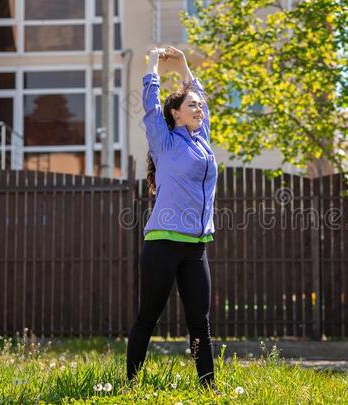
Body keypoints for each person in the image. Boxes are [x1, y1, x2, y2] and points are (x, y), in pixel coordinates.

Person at [126, 46, 218, 390]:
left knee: (201, 324)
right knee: (148, 317)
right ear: (177, 114)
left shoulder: (202, 141)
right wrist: (152, 64)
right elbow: (150, 106)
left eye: (198, 105)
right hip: (162, 244)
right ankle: (130, 384)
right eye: (191, 105)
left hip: (196, 247)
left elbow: (203, 100)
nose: (199, 109)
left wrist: (183, 65)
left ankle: (209, 389)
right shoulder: (164, 142)